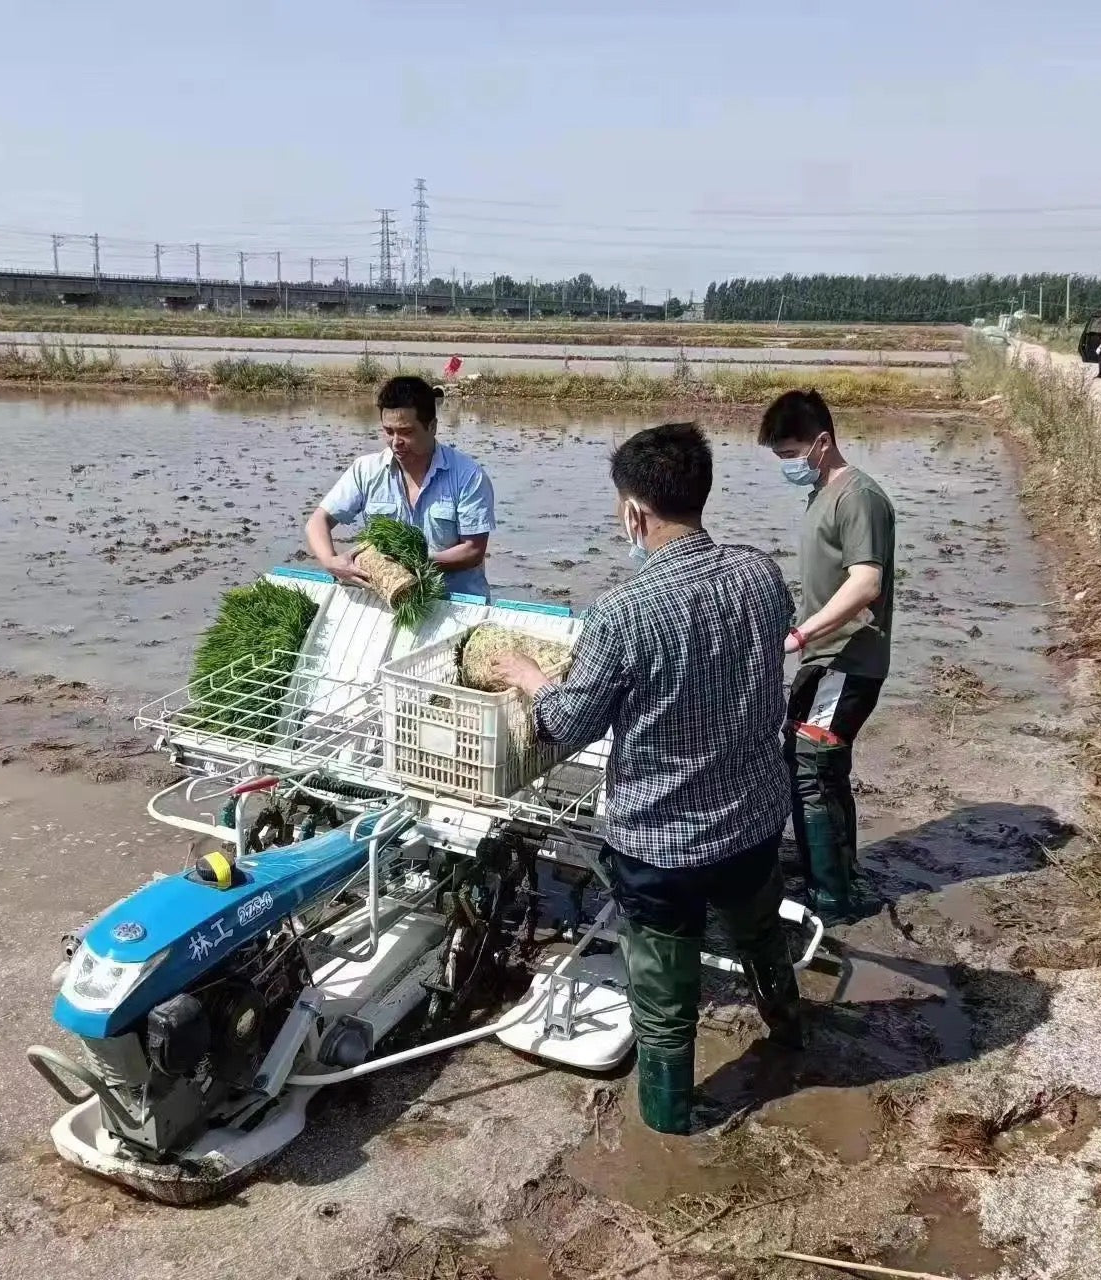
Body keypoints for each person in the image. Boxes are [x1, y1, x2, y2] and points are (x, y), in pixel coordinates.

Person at [491, 422, 801, 1136]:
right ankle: (789, 1030)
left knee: (664, 1003)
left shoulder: (621, 614)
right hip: (753, 820)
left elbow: (568, 726)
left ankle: (667, 1129)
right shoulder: (760, 574)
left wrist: (532, 679)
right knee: (760, 938)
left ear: (634, 512)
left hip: (660, 847)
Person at [759, 389, 896, 926]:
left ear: (822, 441)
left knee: (812, 768)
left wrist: (798, 636)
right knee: (817, 766)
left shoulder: (859, 497)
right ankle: (840, 873)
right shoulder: (821, 491)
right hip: (825, 657)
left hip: (847, 657)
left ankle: (832, 897)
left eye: (792, 453)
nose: (788, 465)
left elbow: (865, 583)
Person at [305, 376, 496, 599]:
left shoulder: (468, 476)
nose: (396, 441)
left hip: (455, 601)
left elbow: (473, 550)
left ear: (432, 427)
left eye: (406, 432)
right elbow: (317, 521)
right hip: (391, 598)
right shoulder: (366, 470)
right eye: (388, 431)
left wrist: (408, 564)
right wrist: (332, 562)